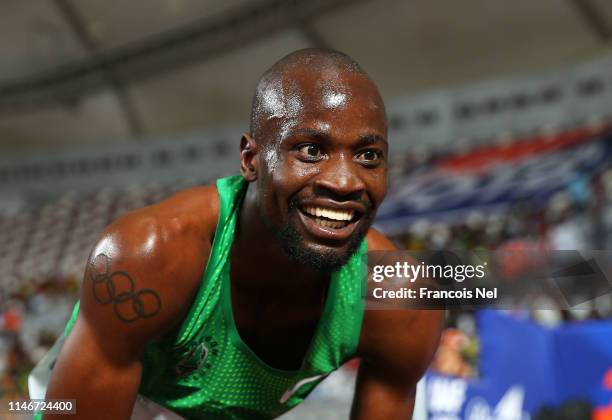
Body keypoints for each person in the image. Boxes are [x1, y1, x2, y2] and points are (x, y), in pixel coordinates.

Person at [42, 48, 442, 419]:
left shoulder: (401, 302)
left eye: (368, 156)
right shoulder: (148, 253)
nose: (344, 181)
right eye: (310, 150)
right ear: (251, 160)